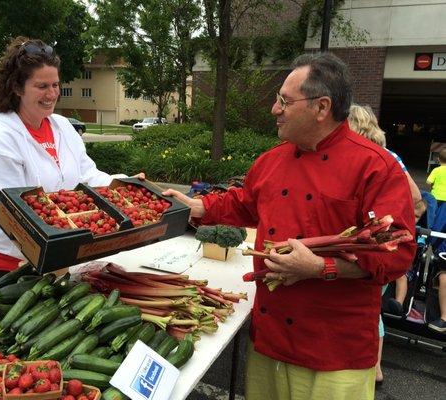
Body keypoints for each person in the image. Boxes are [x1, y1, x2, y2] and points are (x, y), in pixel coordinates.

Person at [164, 53, 416, 400]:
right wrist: (197, 206)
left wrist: (320, 267)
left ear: (321, 107)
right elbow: (243, 203)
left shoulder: (375, 167)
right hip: (269, 343)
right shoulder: (272, 161)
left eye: (284, 100)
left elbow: (398, 252)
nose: (274, 109)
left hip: (335, 354)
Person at [0, 37, 143, 288]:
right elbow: (14, 213)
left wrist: (126, 186)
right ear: (17, 87)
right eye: (42, 86)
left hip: (55, 254)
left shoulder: (61, 126)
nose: (52, 94)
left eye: (56, 84)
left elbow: (88, 174)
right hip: (4, 264)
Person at [347, 103, 424, 385]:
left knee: (370, 307)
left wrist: (388, 227)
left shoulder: (383, 158)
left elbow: (415, 197)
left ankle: (375, 367)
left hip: (376, 247)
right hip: (367, 244)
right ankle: (373, 366)